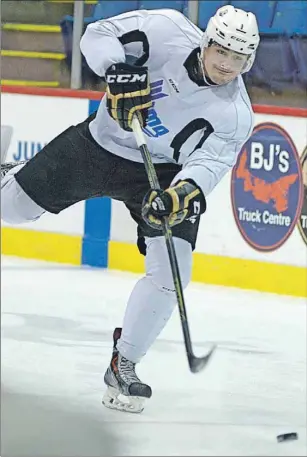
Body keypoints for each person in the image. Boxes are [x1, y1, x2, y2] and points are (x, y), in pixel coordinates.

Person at [1, 5, 260, 413]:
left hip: (162, 173)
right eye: (222, 51)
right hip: (98, 147)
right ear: (206, 41)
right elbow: (95, 35)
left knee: (172, 270)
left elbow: (207, 165)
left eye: (239, 58)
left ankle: (125, 362)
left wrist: (179, 195)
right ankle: (11, 173)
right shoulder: (166, 28)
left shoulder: (236, 114)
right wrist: (115, 69)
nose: (227, 65)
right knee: (12, 210)